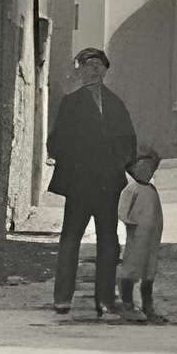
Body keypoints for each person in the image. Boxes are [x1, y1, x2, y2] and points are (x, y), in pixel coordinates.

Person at [45, 47, 141, 317]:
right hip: (79, 183)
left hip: (108, 184)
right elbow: (55, 142)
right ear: (80, 71)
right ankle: (62, 298)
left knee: (109, 240)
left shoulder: (115, 103)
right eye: (88, 66)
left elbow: (128, 141)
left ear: (106, 71)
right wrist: (74, 163)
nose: (93, 70)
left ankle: (105, 299)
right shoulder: (70, 103)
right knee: (70, 239)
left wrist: (118, 164)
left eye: (99, 66)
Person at [114, 148, 168, 323]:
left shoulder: (151, 189)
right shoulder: (132, 188)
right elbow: (122, 210)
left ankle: (148, 304)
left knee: (149, 271)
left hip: (151, 238)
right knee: (132, 267)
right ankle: (127, 303)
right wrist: (130, 222)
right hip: (137, 236)